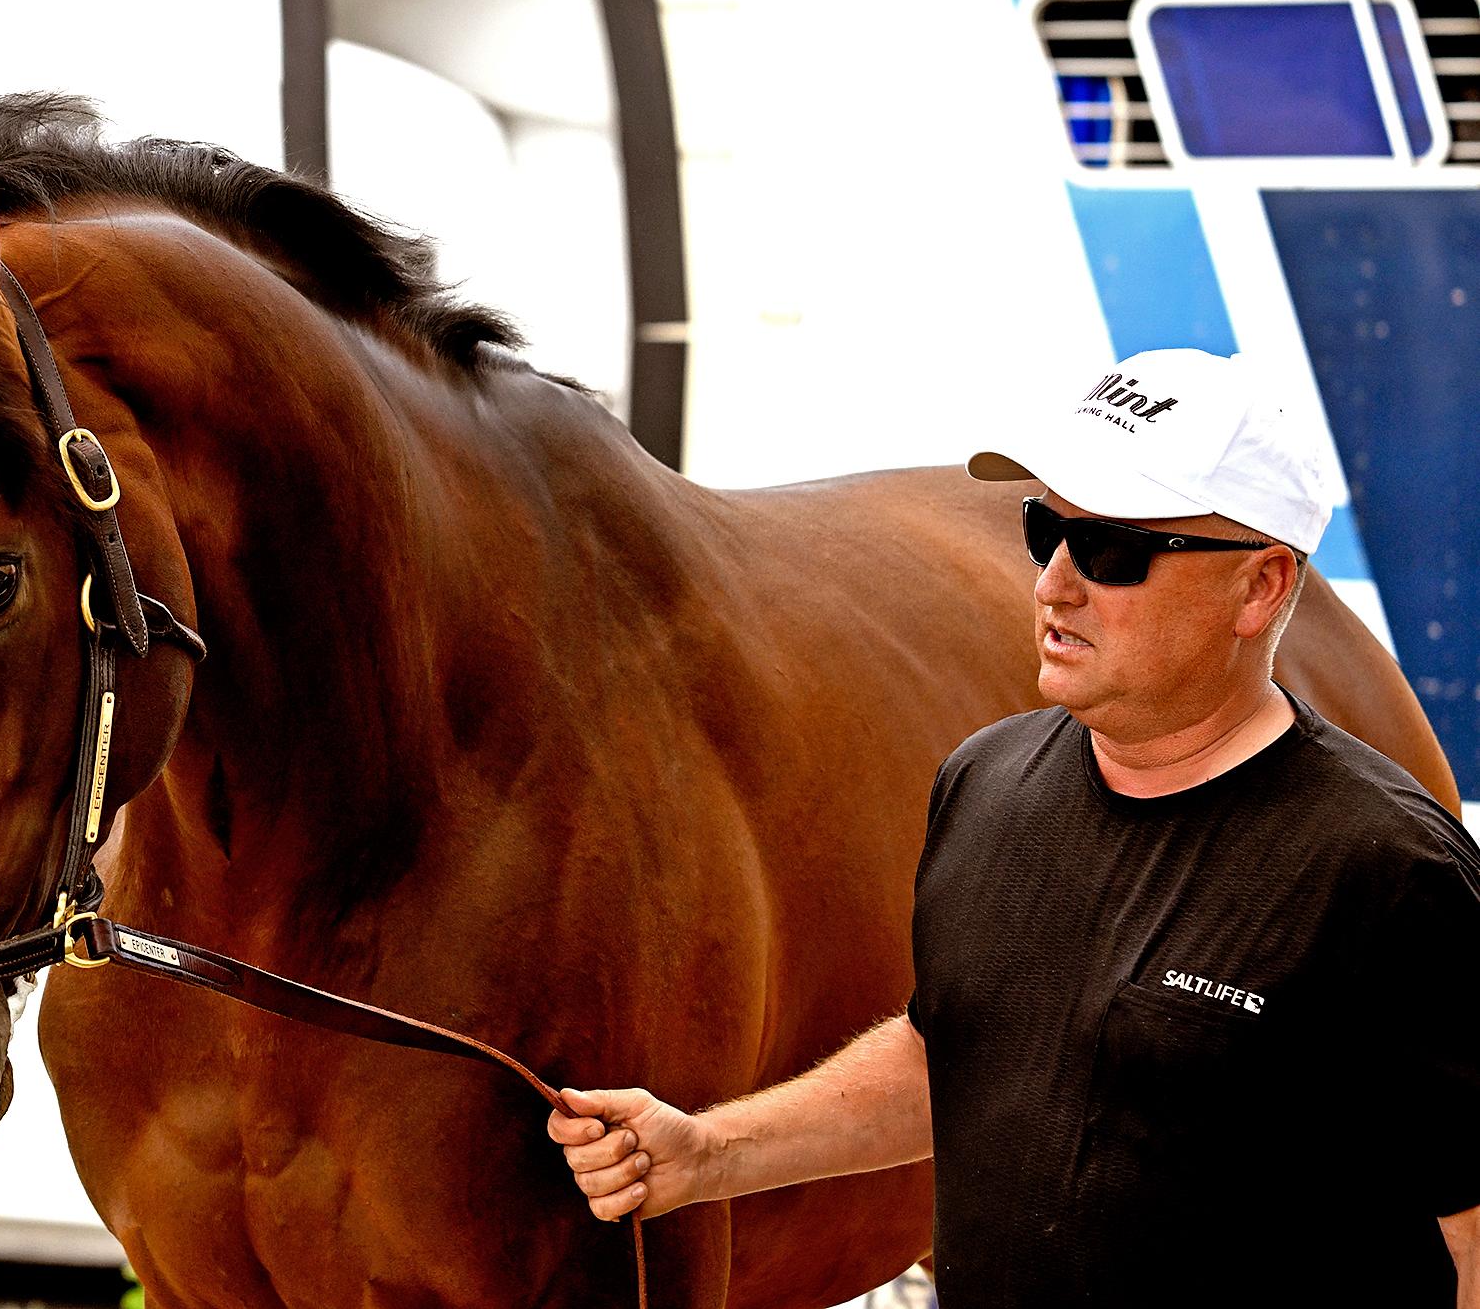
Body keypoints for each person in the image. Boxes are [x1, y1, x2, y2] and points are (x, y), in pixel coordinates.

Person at [549, 349, 1480, 1306]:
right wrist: (707, 1152)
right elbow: (958, 1054)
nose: (1054, 585)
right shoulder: (987, 783)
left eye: (1112, 551)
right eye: (1044, 530)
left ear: (1261, 587)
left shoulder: (1388, 872)